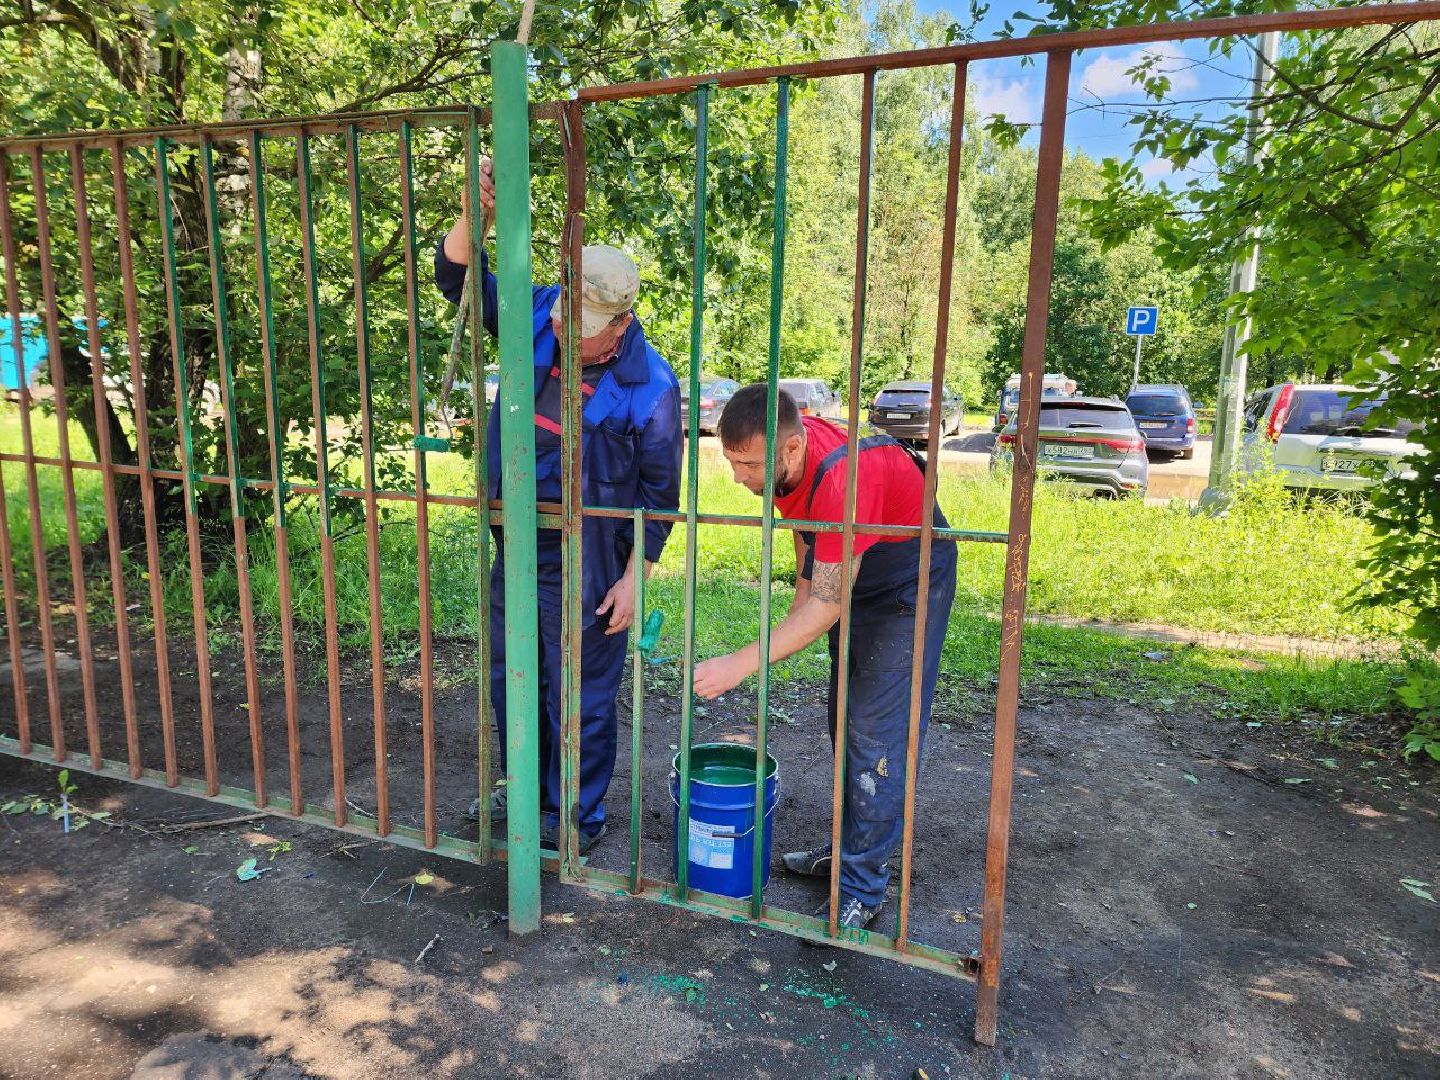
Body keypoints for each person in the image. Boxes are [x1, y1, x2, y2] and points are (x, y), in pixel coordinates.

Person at [436, 156, 682, 854]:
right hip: (517, 536)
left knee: (578, 690)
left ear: (621, 322)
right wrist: (474, 215)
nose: (569, 326)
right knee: (511, 674)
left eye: (588, 321)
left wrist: (636, 578)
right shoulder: (540, 309)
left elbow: (660, 498)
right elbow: (458, 282)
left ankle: (574, 813)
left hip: (591, 557)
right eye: (567, 310)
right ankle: (523, 789)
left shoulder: (652, 387)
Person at [693, 384, 956, 931]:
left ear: (791, 447)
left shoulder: (843, 480)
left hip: (907, 581)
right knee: (845, 720)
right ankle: (846, 851)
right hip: (856, 567)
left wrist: (740, 662)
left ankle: (861, 887)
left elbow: (827, 605)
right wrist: (797, 612)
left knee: (876, 735)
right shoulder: (788, 464)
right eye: (731, 462)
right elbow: (809, 539)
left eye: (747, 464)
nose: (738, 477)